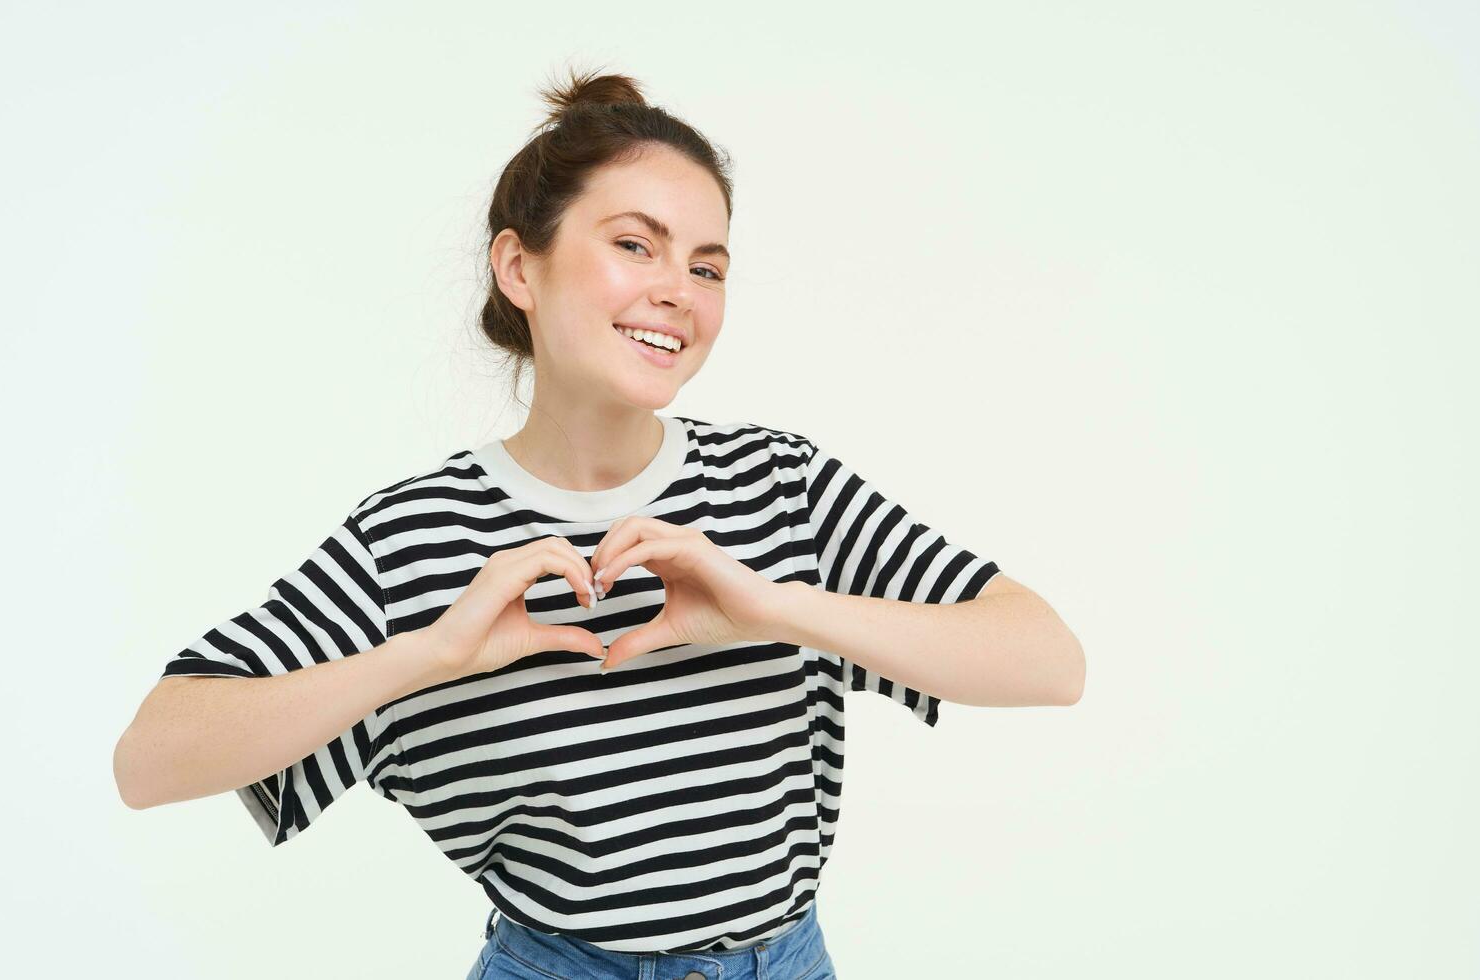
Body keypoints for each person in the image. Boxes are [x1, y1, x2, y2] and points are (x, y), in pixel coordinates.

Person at [113, 67, 1087, 980]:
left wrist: (778, 605)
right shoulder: (412, 536)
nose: (678, 289)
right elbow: (150, 759)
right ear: (519, 268)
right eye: (634, 244)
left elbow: (1046, 660)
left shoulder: (777, 484)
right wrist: (430, 653)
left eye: (707, 266)